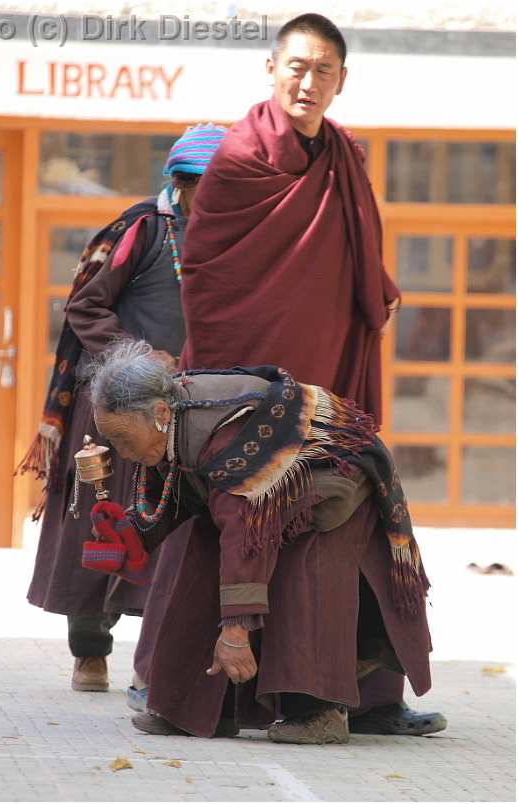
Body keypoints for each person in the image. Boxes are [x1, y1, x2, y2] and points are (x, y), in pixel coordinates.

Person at [132, 12, 447, 736]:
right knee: (234, 518)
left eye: (324, 70)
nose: (308, 82)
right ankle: (184, 687)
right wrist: (239, 391)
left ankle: (362, 697)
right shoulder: (240, 160)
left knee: (346, 514)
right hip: (250, 393)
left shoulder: (344, 158)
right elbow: (209, 281)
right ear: (272, 71)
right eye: (297, 67)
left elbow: (349, 259)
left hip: (328, 380)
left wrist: (371, 285)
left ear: (342, 80)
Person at [86, 340, 434, 743]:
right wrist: (128, 535)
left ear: (160, 414)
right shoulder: (169, 419)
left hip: (331, 480)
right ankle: (192, 709)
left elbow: (246, 535)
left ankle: (319, 713)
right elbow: (178, 499)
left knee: (301, 564)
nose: (122, 453)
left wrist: (235, 632)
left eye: (124, 439)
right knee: (202, 547)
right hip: (259, 497)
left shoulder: (224, 437)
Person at [17, 124, 227, 693]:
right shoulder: (144, 228)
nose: (204, 196)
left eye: (217, 185)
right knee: (99, 522)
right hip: (114, 407)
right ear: (178, 183)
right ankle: (90, 653)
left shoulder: (233, 238)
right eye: (195, 185)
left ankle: (160, 662)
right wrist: (139, 356)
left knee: (178, 529)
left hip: (185, 413)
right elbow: (84, 306)